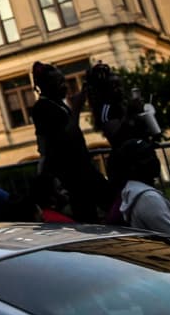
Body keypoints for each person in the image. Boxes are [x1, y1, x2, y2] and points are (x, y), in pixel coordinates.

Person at [30, 61, 111, 221]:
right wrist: (76, 108)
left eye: (63, 80)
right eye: (59, 82)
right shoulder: (42, 109)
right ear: (45, 86)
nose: (65, 86)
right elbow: (66, 137)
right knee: (89, 217)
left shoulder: (59, 104)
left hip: (82, 169)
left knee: (110, 202)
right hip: (72, 176)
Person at [114, 139, 170, 240]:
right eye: (146, 157)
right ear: (131, 167)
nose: (154, 160)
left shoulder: (136, 192)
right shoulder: (148, 198)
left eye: (153, 154)